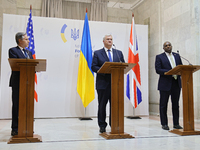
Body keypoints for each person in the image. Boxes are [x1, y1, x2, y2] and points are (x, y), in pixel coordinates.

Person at [91, 34, 125, 133]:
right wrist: (103, 70)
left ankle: (114, 124)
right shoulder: (98, 53)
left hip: (116, 84)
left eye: (111, 39)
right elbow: (93, 67)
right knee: (102, 105)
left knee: (114, 105)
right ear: (103, 41)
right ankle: (102, 125)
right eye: (108, 39)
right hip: (103, 84)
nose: (110, 41)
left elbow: (123, 64)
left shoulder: (118, 53)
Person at [9, 32, 33, 136]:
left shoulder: (29, 52)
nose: (28, 41)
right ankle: (15, 128)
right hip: (18, 82)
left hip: (28, 83)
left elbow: (32, 65)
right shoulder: (13, 50)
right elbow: (17, 63)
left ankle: (26, 127)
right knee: (17, 105)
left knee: (27, 105)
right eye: (26, 39)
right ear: (20, 40)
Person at [155, 41, 183, 130]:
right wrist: (169, 71)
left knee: (176, 104)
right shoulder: (159, 57)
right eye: (166, 46)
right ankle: (164, 124)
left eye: (169, 45)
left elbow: (181, 67)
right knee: (163, 105)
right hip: (165, 84)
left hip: (176, 83)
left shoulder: (177, 56)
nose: (168, 47)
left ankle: (176, 123)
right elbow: (158, 69)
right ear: (163, 48)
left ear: (172, 46)